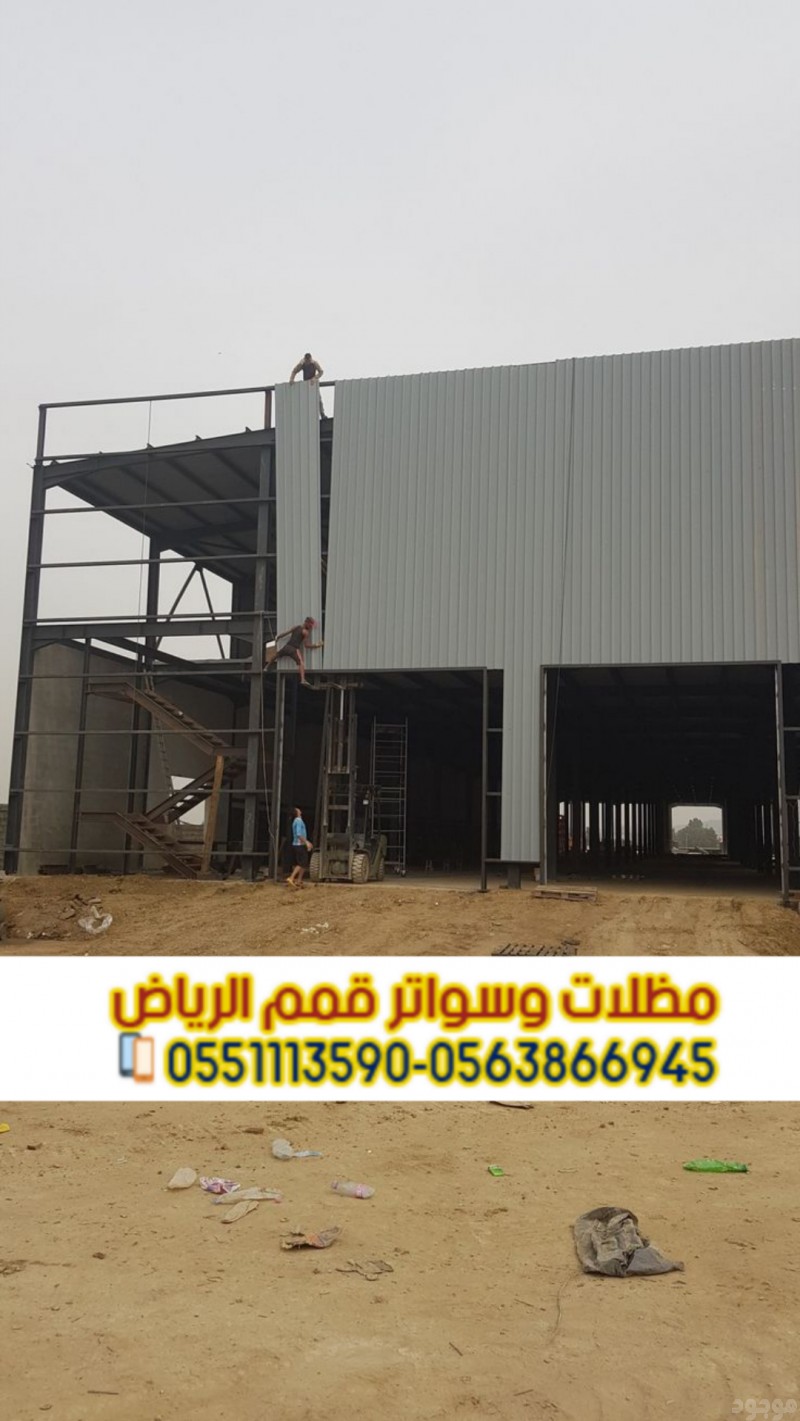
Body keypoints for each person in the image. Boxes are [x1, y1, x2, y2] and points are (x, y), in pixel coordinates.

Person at [264, 616, 323, 686]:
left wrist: (278, 637)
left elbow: (286, 633)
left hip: (287, 647)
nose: (311, 627)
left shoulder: (296, 627)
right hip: (294, 649)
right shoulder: (305, 632)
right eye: (310, 625)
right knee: (301, 663)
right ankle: (303, 680)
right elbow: (306, 645)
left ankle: (266, 667)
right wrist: (316, 645)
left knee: (276, 655)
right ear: (307, 623)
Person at [289, 352, 326, 417]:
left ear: (310, 359)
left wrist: (315, 378)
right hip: (305, 384)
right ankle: (304, 415)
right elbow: (294, 371)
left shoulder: (314, 363)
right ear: (305, 360)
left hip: (313, 383)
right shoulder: (302, 363)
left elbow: (321, 372)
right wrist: (291, 379)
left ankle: (322, 413)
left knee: (318, 399)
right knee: (304, 400)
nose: (307, 363)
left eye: (308, 361)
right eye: (306, 362)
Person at [287, 807, 312, 887]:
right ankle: (291, 877)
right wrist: (306, 842)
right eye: (298, 809)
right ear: (297, 812)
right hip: (299, 845)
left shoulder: (297, 820)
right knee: (301, 863)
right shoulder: (298, 821)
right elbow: (298, 834)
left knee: (304, 863)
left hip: (300, 844)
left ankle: (299, 880)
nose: (300, 810)